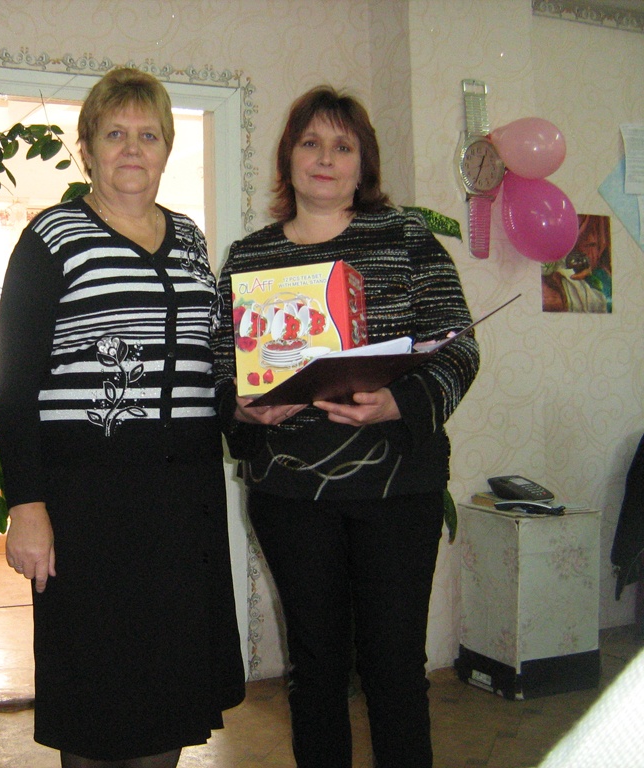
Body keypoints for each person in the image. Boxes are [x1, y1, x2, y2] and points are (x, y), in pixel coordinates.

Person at [212, 86, 480, 768]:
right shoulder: (248, 257)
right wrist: (241, 407)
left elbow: (459, 348)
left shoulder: (406, 239)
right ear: (288, 157)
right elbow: (220, 370)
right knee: (315, 669)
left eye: (342, 146)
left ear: (364, 165)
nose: (325, 158)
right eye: (311, 143)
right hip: (290, 496)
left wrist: (398, 403)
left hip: (398, 491)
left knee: (395, 667)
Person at [0, 67, 245, 768]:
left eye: (148, 135)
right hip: (88, 504)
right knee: (95, 694)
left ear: (166, 150)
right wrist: (27, 505)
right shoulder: (52, 237)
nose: (132, 149)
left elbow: (211, 357)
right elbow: (14, 382)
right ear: (87, 149)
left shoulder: (191, 239)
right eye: (114, 134)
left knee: (169, 687)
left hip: (182, 500)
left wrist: (255, 401)